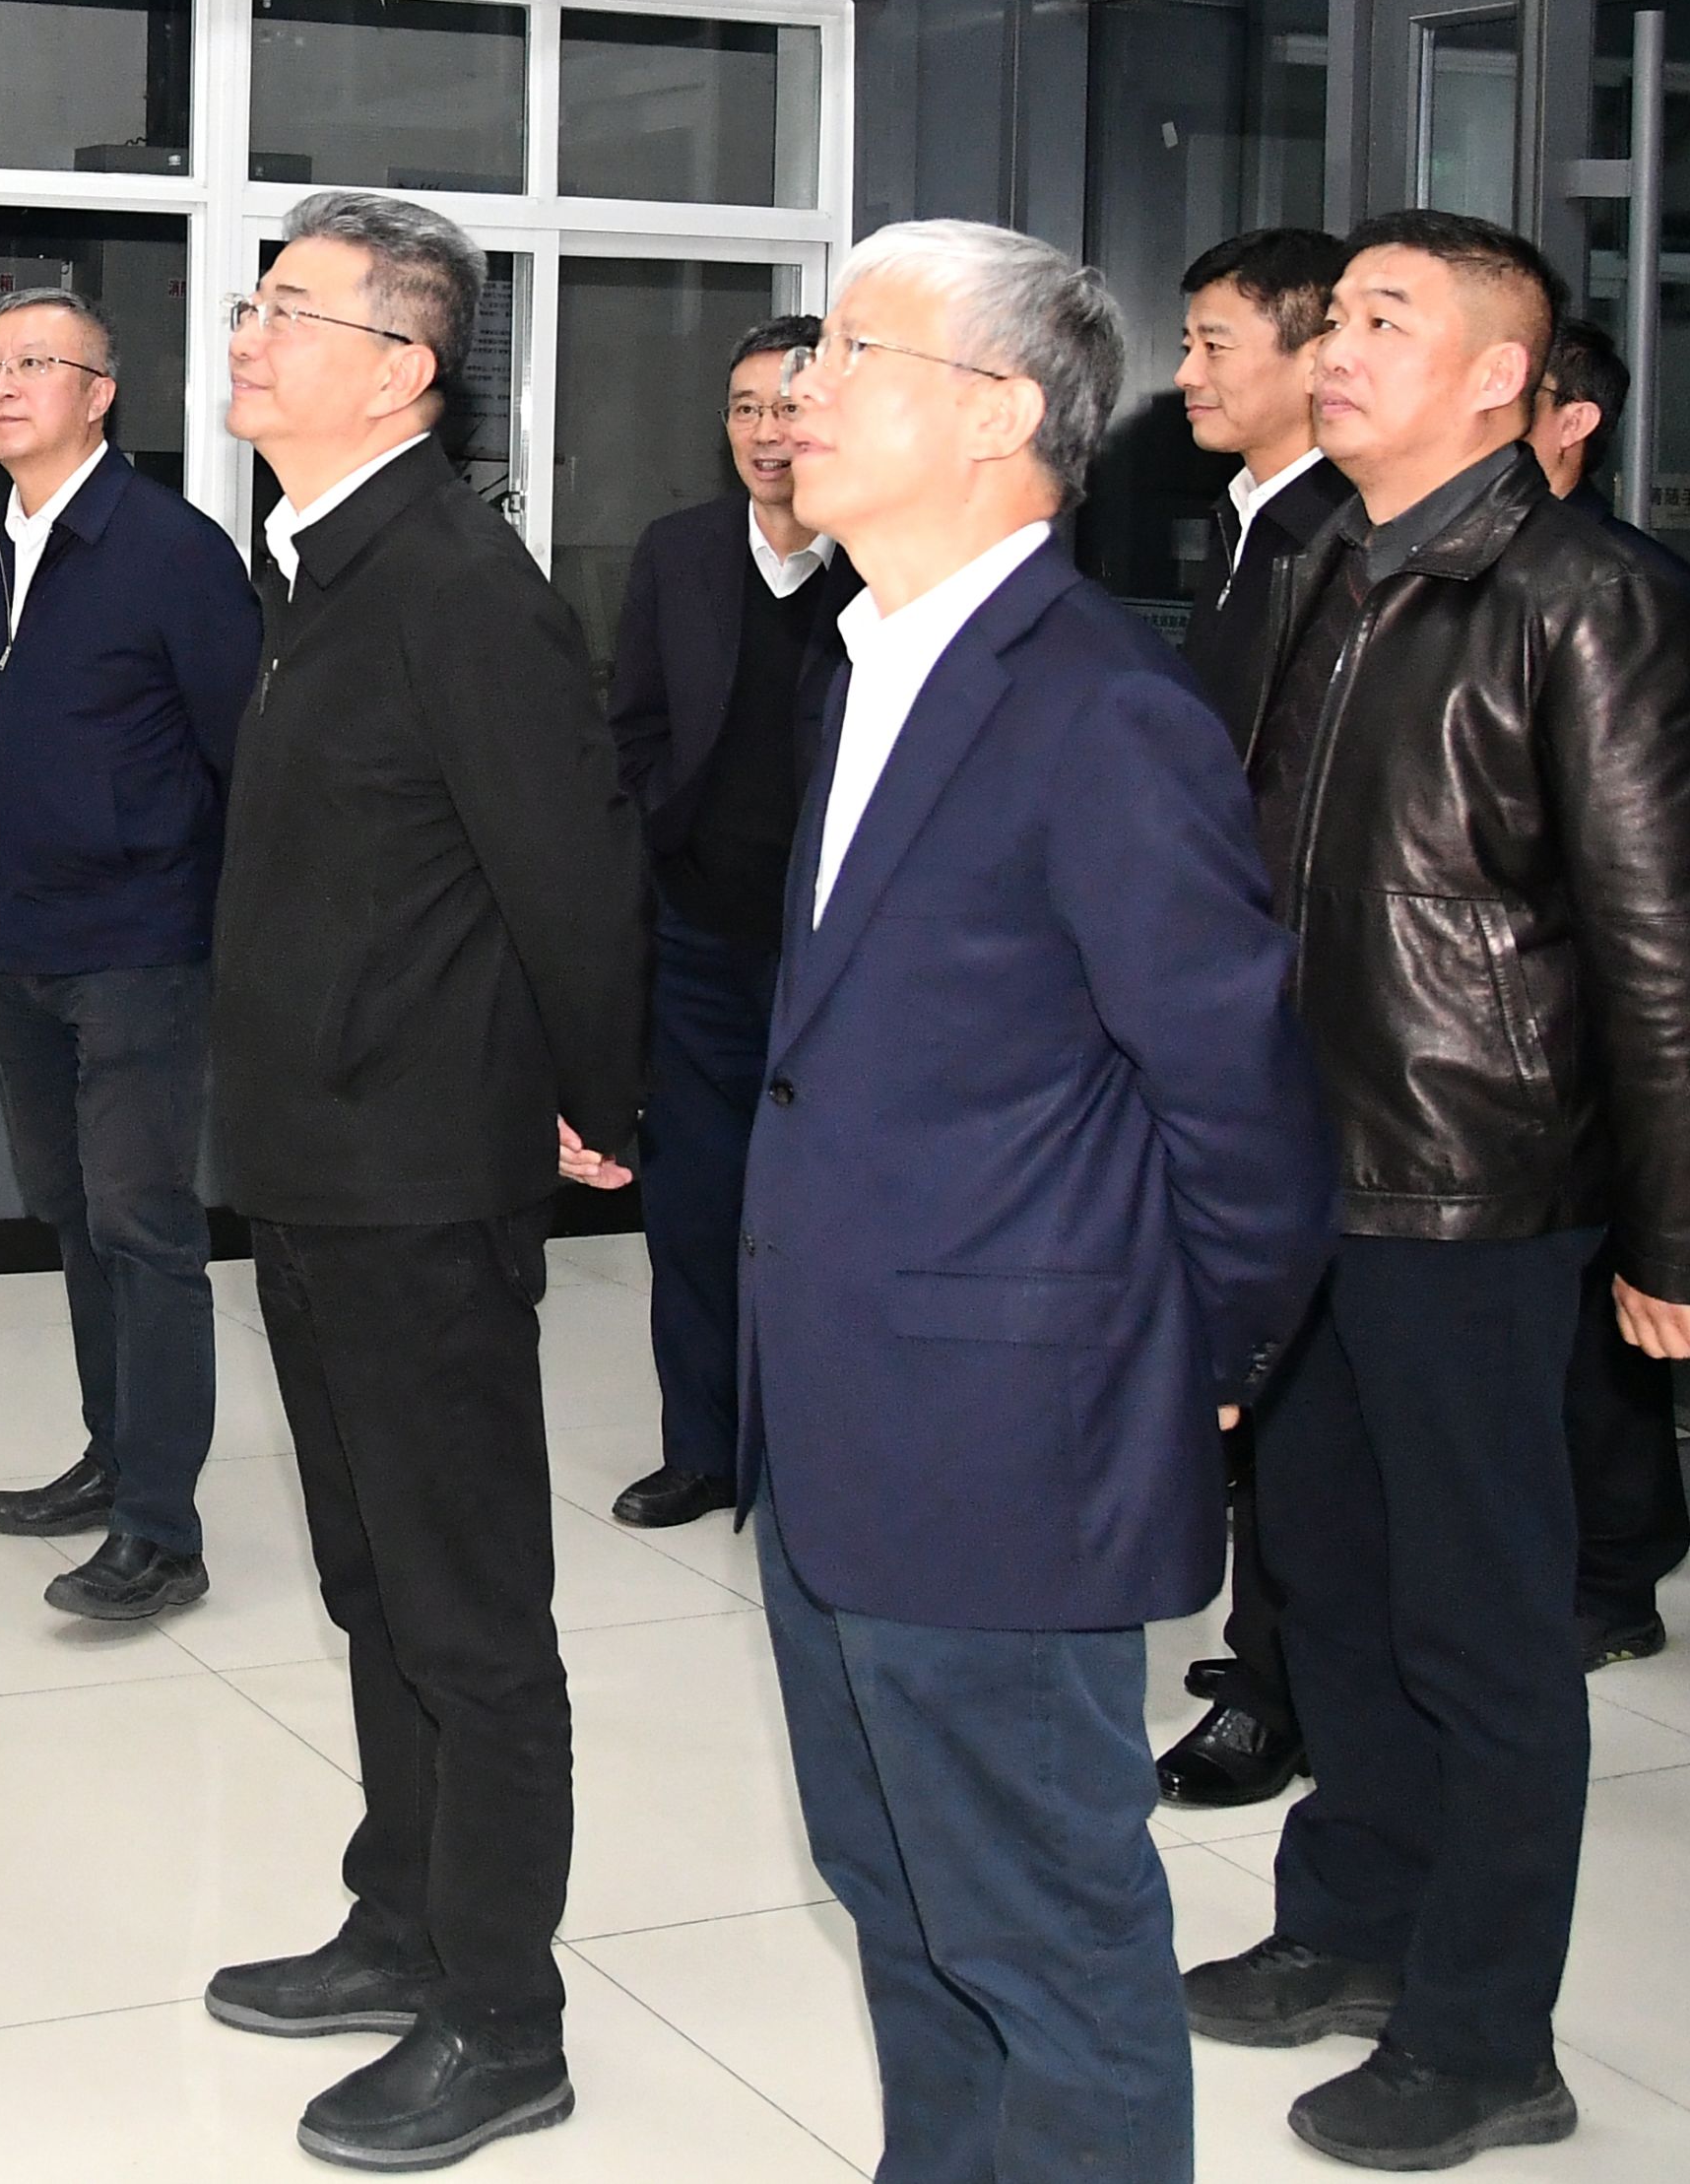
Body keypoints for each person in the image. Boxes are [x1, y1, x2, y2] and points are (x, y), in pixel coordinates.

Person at [748, 219, 1335, 2184]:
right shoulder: (866, 665)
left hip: (1004, 1428)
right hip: (840, 1405)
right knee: (899, 1890)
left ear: (1001, 413)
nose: (804, 389)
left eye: (854, 353)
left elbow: (1240, 1101)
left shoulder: (1096, 706)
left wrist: (1186, 1359)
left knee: (1040, 1924)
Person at [1185, 212, 1690, 2173]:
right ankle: (1351, 1921)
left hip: (1473, 1183)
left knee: (1481, 1619)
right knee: (1326, 1582)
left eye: (1386, 319)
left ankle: (1487, 2029)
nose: (1336, 346)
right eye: (1335, 315)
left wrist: (1672, 1236)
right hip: (1306, 1172)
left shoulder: (1587, 597)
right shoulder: (1323, 565)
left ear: (1502, 377)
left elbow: (1669, 946)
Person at [191, 192, 646, 2175]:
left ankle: (503, 2016)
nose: (250, 332)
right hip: (311, 1154)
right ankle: (402, 1915)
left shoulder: (457, 582)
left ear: (404, 371)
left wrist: (601, 1097)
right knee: (369, 1577)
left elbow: (576, 874)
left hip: (417, 1171)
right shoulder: (312, 561)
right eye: (255, 299)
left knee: (468, 1609)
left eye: (292, 310)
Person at [0, 288, 261, 1621]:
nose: (2, 384)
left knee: (144, 1224)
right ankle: (112, 1456)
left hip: (142, 944)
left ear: (99, 393)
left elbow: (246, 752)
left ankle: (162, 1531)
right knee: (72, 1212)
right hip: (19, 938)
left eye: (36, 362)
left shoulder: (172, 550)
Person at [1150, 223, 1356, 1814]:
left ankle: (1288, 1682)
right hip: (1232, 988)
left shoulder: (1337, 541)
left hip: (1306, 1008)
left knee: (1301, 1381)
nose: (1187, 374)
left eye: (1216, 342)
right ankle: (1271, 1640)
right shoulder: (1245, 526)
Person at [596, 313, 860, 1530]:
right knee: (694, 1205)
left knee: (824, 1215)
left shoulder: (880, 555)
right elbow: (634, 723)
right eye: (744, 407)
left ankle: (814, 1455)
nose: (764, 431)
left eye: (787, 406)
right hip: (697, 934)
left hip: (836, 956)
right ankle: (700, 1448)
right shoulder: (681, 551)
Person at [1527, 315, 1690, 1664]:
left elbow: (1678, 863)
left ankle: (1614, 1577)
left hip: (1599, 1018)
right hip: (1515, 1026)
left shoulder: (1628, 592)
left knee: (1601, 1328)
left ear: (1572, 421)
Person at [1171, 226, 1354, 738]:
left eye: (1214, 347)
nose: (1186, 375)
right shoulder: (1239, 511)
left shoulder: (1351, 534)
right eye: (1188, 346)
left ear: (1316, 361)